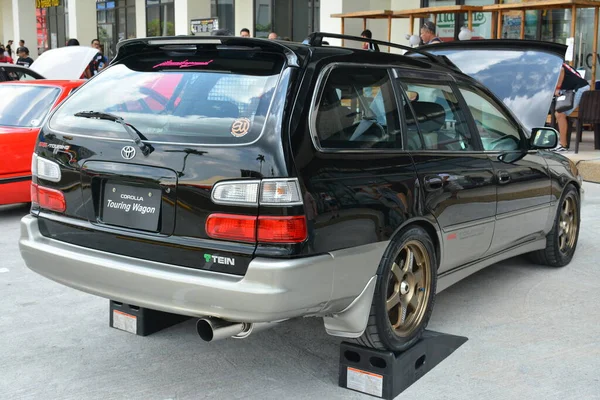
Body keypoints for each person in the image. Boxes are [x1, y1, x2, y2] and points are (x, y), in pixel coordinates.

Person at [553, 63, 590, 152]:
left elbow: (561, 70)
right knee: (559, 113)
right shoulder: (559, 61)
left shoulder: (553, 62)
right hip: (576, 88)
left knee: (560, 114)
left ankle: (563, 145)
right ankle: (562, 144)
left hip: (579, 88)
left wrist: (557, 88)